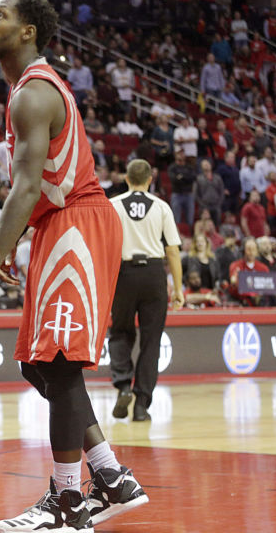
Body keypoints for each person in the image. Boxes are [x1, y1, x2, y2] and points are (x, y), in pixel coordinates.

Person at [0, 0, 148, 532]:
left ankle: (67, 504)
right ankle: (111, 477)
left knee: (58, 365)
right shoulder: (27, 89)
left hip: (77, 224)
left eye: (1, 15)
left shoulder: (32, 93)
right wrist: (16, 243)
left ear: (29, 31)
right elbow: (35, 189)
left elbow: (28, 184)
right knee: (36, 365)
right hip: (61, 223)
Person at [107, 159, 183, 422]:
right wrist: (178, 288)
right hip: (153, 274)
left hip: (123, 273)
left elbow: (103, 246)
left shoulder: (113, 204)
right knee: (151, 341)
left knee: (119, 332)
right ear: (150, 179)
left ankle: (123, 386)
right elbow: (172, 249)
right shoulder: (161, 206)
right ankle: (142, 405)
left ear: (126, 179)